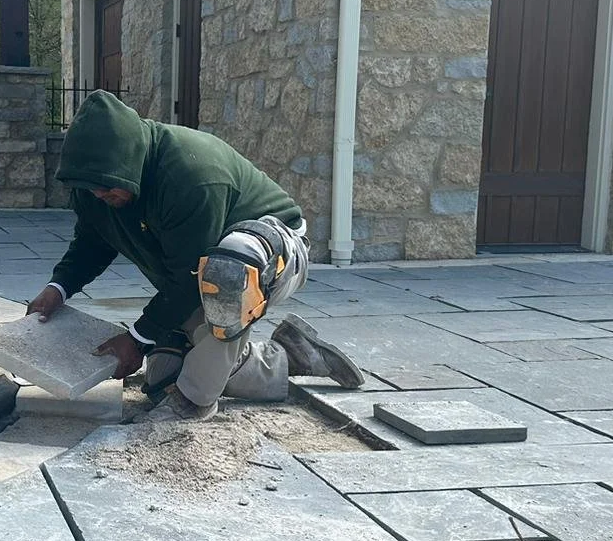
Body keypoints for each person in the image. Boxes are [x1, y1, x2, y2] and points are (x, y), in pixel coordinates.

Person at [27, 91, 364, 420]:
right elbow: (92, 243)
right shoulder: (97, 189)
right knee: (165, 374)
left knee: (228, 273)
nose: (99, 193)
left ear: (131, 160)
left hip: (273, 252)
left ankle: (194, 401)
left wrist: (138, 338)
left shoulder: (191, 174)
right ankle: (291, 356)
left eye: (106, 185)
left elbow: (188, 276)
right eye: (92, 187)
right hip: (199, 272)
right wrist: (58, 288)